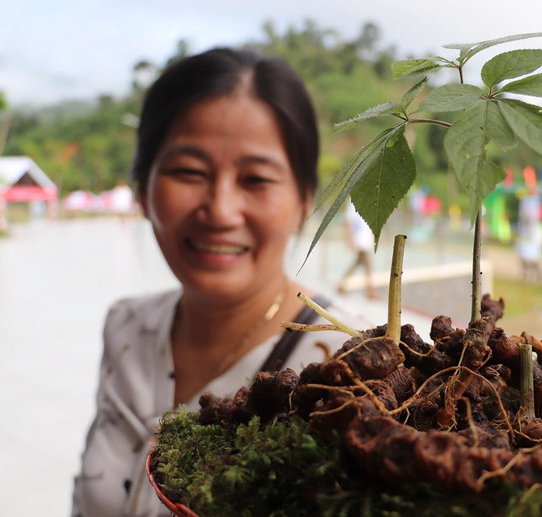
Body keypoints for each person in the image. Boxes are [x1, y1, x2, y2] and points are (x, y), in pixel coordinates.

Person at [72, 47, 369, 517]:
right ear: (143, 189)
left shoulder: (348, 368)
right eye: (188, 172)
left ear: (303, 201)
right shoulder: (126, 326)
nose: (220, 211)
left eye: (255, 179)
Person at [336, 201, 378, 299]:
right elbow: (348, 221)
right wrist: (350, 238)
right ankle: (370, 290)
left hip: (364, 239)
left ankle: (342, 284)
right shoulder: (354, 202)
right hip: (359, 239)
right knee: (368, 265)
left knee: (358, 263)